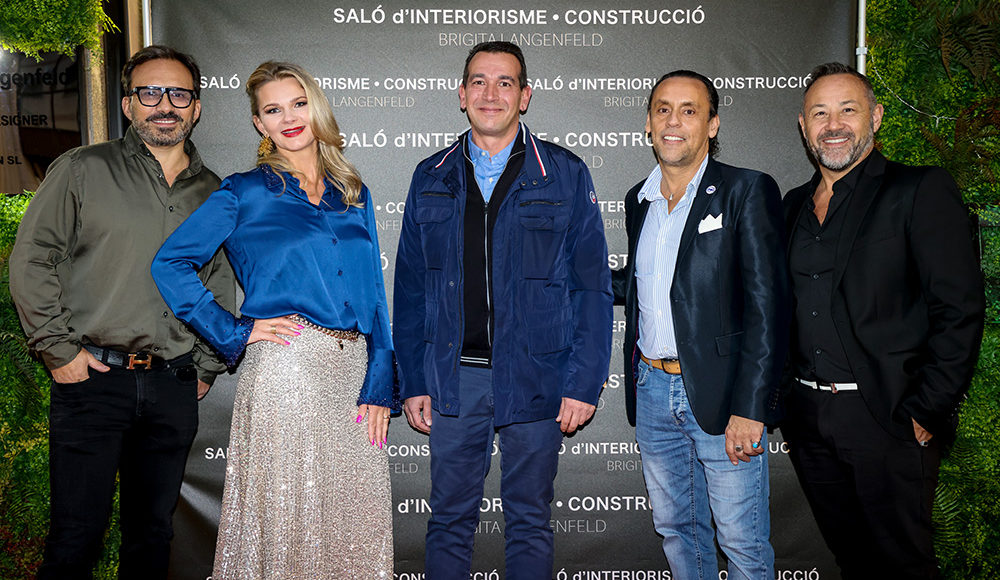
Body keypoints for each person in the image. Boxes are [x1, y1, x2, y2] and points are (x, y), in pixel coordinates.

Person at [150, 61, 396, 579]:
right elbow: (170, 264)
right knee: (289, 525)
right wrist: (235, 331)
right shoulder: (244, 191)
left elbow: (374, 295)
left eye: (299, 104)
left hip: (353, 374)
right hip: (288, 370)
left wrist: (380, 382)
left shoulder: (353, 190)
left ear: (316, 108)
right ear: (259, 123)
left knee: (355, 525)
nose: (290, 118)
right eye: (273, 109)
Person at [8, 45, 236, 578]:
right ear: (129, 104)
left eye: (178, 94)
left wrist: (205, 367)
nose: (165, 105)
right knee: (75, 537)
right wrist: (59, 351)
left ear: (196, 107)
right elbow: (33, 258)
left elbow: (219, 283)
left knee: (152, 536)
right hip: (92, 379)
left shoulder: (215, 192)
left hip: (173, 384)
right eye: (150, 93)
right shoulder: (83, 169)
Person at [393, 41, 613, 579]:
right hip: (454, 378)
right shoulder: (430, 175)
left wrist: (584, 384)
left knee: (530, 520)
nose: (490, 94)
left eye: (505, 82)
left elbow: (591, 287)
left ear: (525, 96)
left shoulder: (564, 172)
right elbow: (411, 289)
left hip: (537, 375)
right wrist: (414, 379)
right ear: (461, 94)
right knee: (448, 520)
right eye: (479, 81)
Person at [780, 62, 984, 580]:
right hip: (809, 419)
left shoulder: (918, 190)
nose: (833, 125)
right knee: (852, 563)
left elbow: (959, 309)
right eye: (819, 113)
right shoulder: (792, 206)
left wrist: (926, 409)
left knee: (903, 566)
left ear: (876, 117)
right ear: (803, 126)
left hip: (888, 419)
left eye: (848, 110)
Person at [611, 70, 789, 580]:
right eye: (663, 109)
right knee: (677, 533)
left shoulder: (746, 189)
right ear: (648, 123)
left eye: (689, 110)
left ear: (712, 124)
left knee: (741, 543)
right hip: (651, 389)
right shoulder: (638, 199)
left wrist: (750, 408)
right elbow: (645, 285)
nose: (674, 121)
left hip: (724, 395)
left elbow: (768, 306)